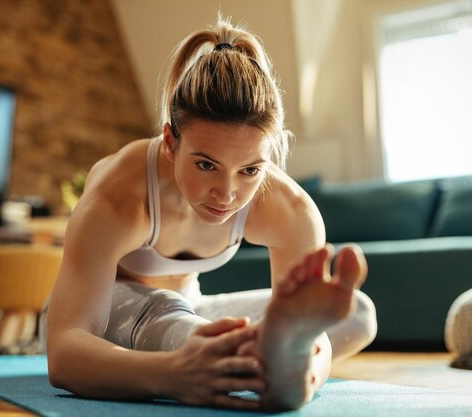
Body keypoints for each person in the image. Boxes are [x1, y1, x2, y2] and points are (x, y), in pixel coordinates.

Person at [42, 16, 377, 411]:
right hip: (103, 316)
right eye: (206, 165)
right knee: (179, 322)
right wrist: (169, 374)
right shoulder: (120, 193)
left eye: (250, 170)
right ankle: (242, 360)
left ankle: (278, 367)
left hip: (191, 306)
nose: (228, 192)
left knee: (357, 313)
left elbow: (313, 325)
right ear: (170, 141)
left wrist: (306, 372)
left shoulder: (291, 210)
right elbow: (64, 351)